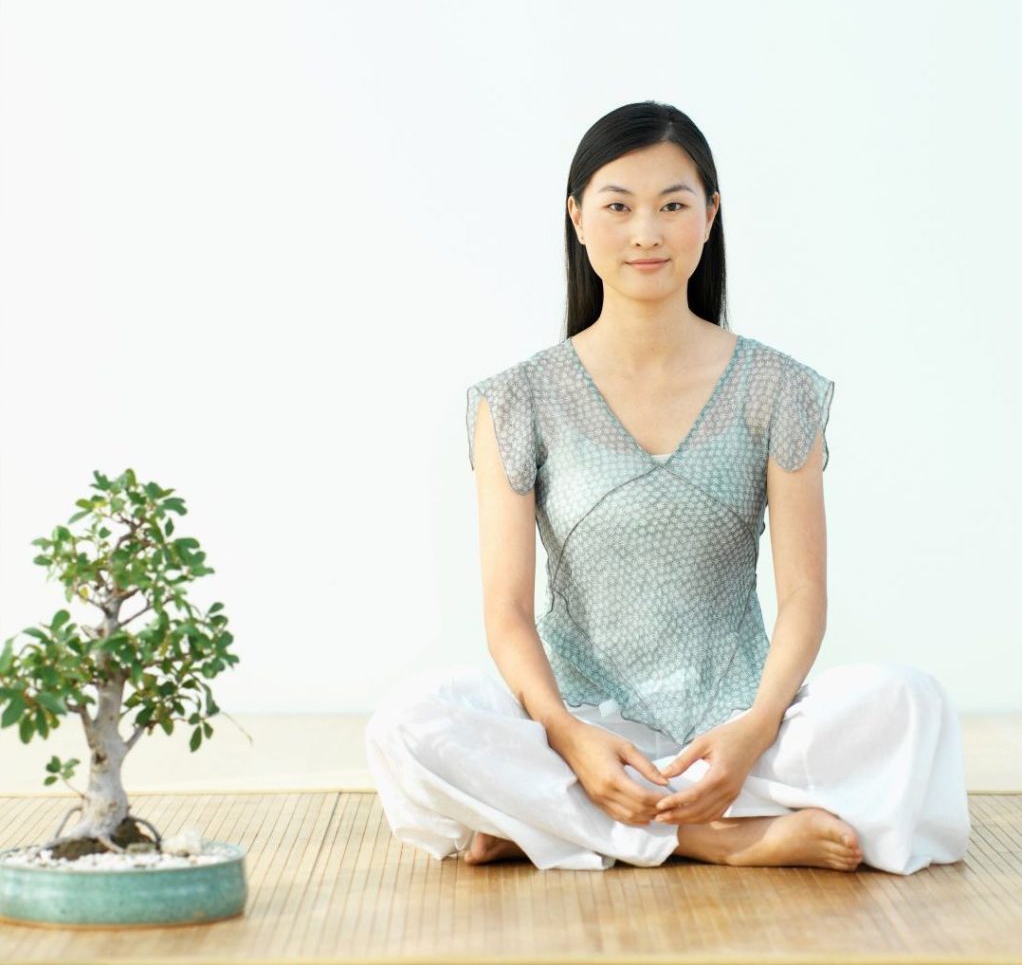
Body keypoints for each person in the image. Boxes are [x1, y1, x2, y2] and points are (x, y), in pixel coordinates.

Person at [364, 101, 971, 874]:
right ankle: (711, 838)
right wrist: (569, 737)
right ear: (578, 218)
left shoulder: (778, 389)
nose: (646, 232)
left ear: (709, 217)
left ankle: (552, 828)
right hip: (584, 730)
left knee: (908, 702)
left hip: (740, 734)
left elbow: (805, 596)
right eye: (618, 206)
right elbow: (507, 610)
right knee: (408, 722)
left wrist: (754, 729)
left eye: (673, 206)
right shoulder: (514, 401)